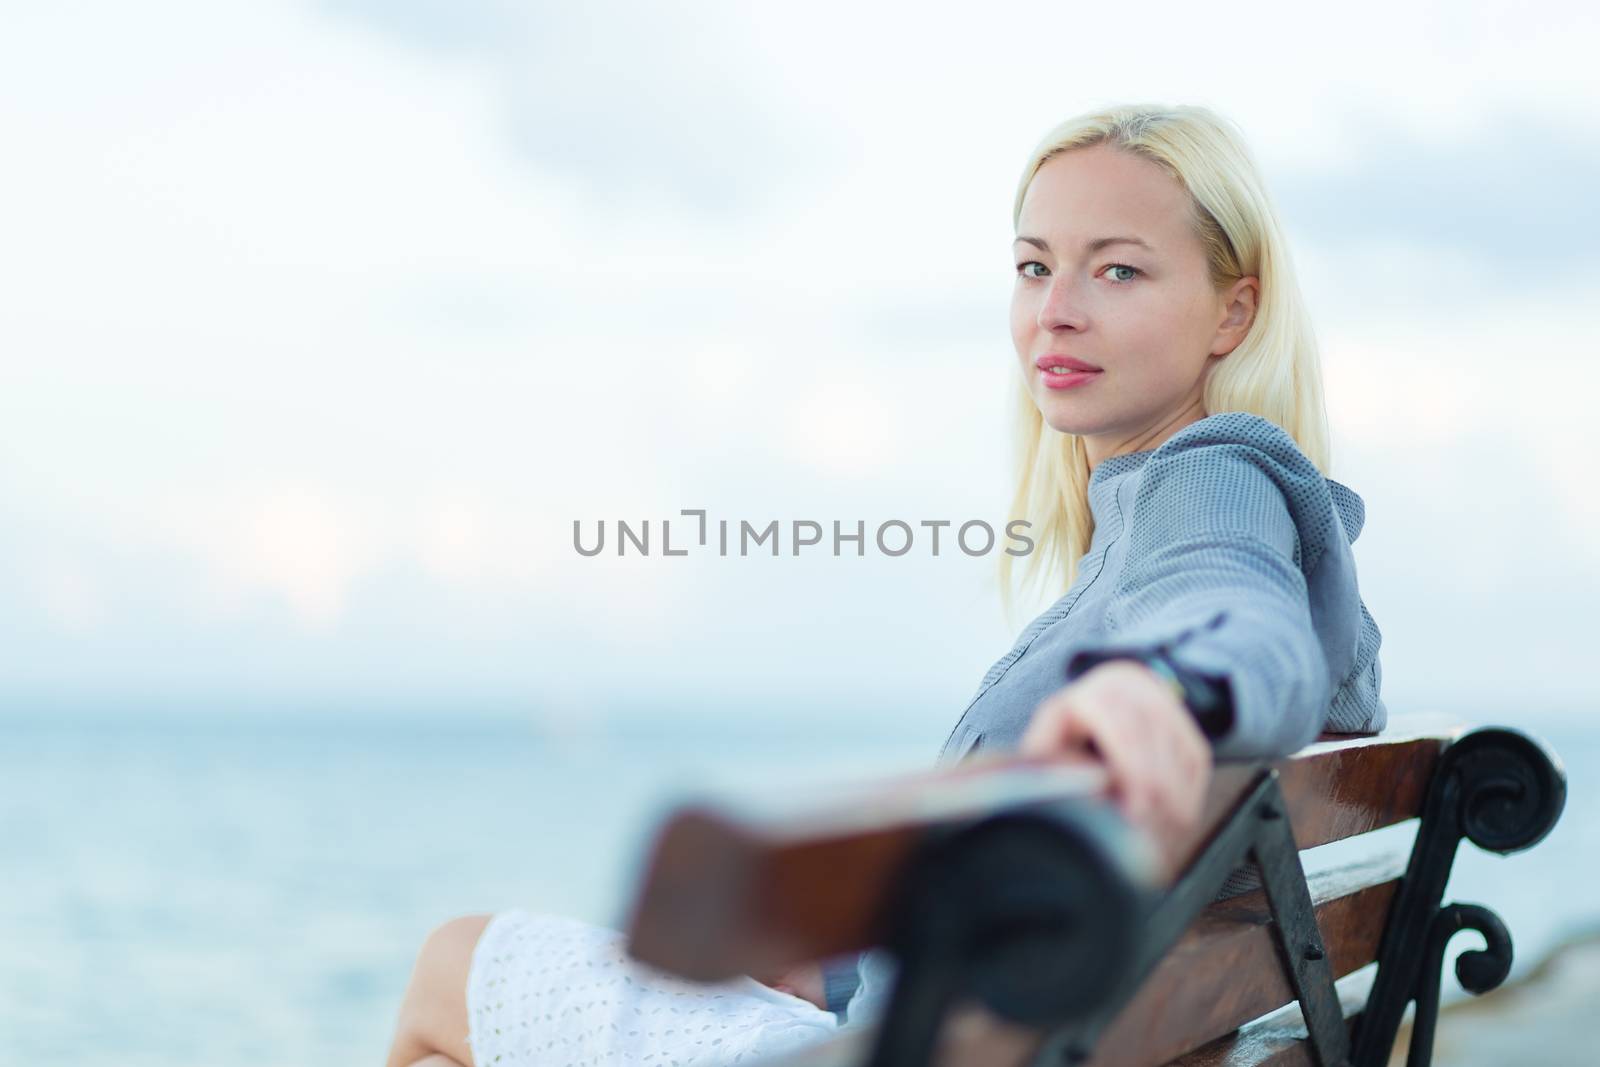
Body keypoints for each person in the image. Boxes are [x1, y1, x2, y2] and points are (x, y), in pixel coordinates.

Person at [383, 101, 1386, 1067]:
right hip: (967, 1024)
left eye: (1117, 270)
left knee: (450, 965)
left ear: (1233, 311)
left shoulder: (1210, 479)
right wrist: (837, 963)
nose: (1055, 310)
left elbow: (1242, 618)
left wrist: (1168, 688)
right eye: (1033, 267)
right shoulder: (1157, 513)